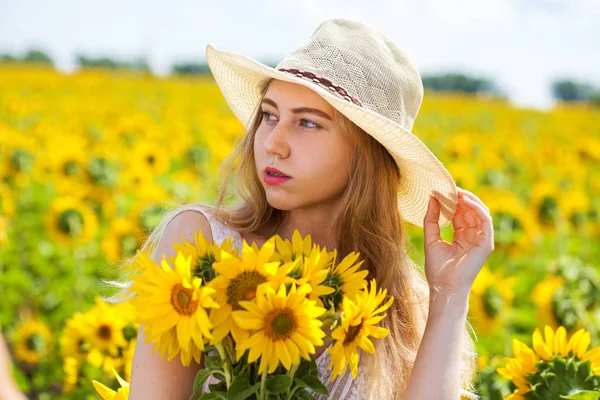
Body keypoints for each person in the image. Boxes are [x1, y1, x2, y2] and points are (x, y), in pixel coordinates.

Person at [119, 18, 494, 400]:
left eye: (307, 123)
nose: (274, 144)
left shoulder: (401, 307)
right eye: (269, 115)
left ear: (366, 153)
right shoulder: (201, 243)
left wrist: (449, 293)